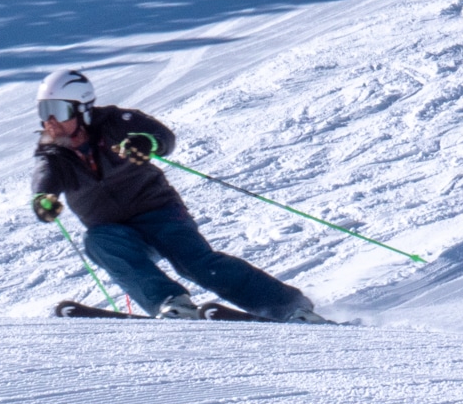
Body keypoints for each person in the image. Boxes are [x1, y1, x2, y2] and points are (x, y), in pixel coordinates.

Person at [29, 68, 319, 321]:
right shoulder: (53, 154)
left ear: (83, 110)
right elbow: (45, 178)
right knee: (98, 242)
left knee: (197, 264)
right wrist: (43, 198)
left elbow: (162, 136)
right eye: (44, 111)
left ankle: (289, 306)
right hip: (115, 231)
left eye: (60, 110)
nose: (50, 122)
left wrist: (146, 143)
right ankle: (171, 303)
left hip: (159, 212)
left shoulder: (116, 122)